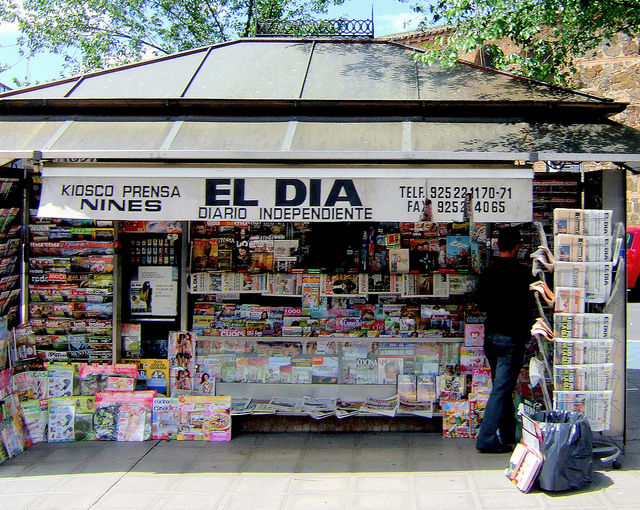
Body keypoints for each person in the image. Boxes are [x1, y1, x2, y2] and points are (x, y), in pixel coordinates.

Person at [475, 226, 535, 453]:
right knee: (501, 388)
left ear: (498, 245)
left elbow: (480, 304)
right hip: (512, 338)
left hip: (492, 337)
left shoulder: (488, 272)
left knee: (503, 386)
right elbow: (531, 307)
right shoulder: (524, 274)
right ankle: (486, 438)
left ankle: (508, 433)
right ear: (517, 246)